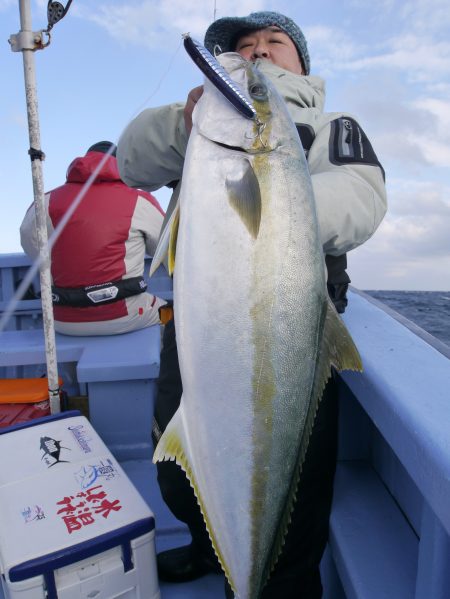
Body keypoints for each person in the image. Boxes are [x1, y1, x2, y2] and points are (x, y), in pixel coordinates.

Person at [117, 11, 387, 598]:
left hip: (294, 327)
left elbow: (362, 197)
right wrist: (185, 122)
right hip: (199, 323)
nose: (257, 52)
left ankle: (280, 580)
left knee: (297, 479)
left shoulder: (328, 124)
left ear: (302, 64)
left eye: (274, 43)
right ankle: (208, 542)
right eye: (243, 46)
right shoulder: (201, 128)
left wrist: (282, 194)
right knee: (179, 463)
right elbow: (130, 161)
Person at [20, 141, 166, 336]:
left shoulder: (46, 200)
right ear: (121, 165)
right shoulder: (139, 199)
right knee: (172, 316)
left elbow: (28, 241)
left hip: (62, 321)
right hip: (126, 315)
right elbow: (164, 248)